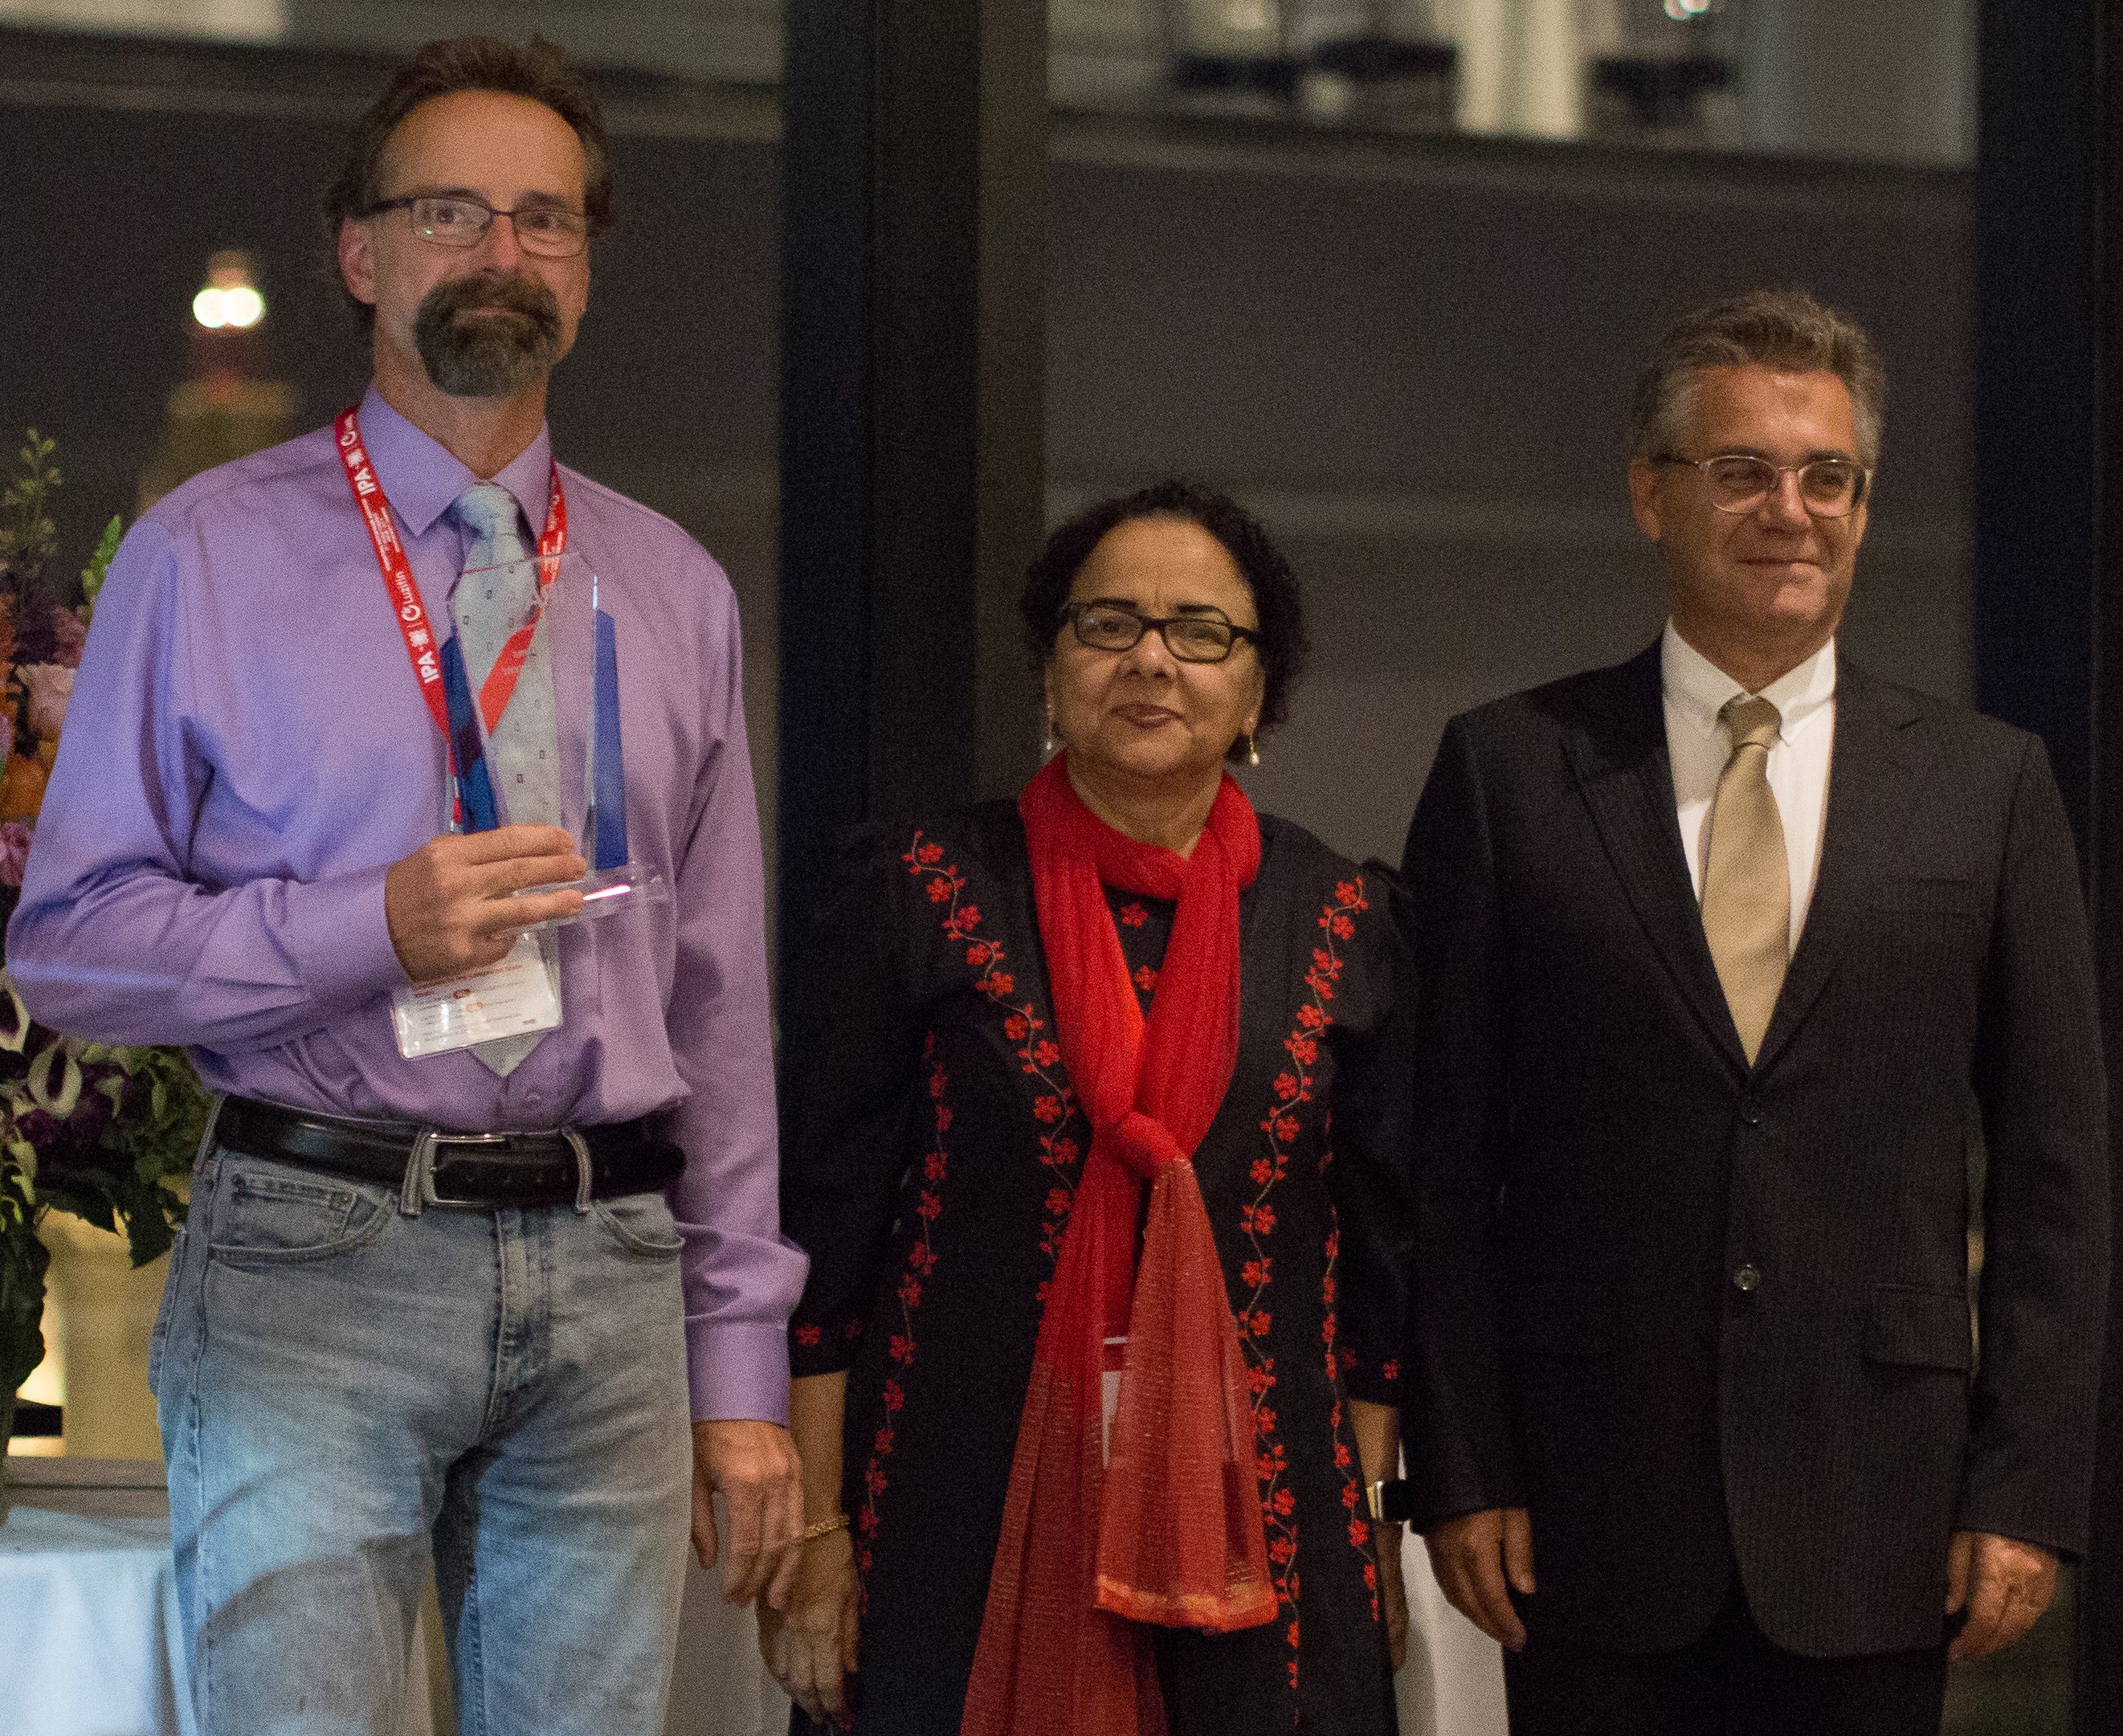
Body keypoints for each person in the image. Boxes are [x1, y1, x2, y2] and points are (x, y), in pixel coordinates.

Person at [6, 36, 806, 1735]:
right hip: (317, 1256)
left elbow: (719, 1006)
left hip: (609, 1269)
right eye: (450, 210)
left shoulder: (671, 588)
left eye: (544, 219)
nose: (501, 253)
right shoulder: (202, 555)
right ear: (359, 253)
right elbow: (70, 948)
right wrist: (364, 926)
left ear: (585, 271)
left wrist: (741, 1376)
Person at [1398, 288, 2109, 1735]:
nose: (1791, 509)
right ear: (1651, 495)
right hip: (1584, 1514)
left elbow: (2057, 1176)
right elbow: (1440, 1157)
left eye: (1826, 475)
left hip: (1880, 1510)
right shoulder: (1508, 771)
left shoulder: (1991, 786)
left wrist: (2026, 1489)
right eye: (1742, 471)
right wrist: (1463, 1462)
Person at [764, 480, 1415, 1734]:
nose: (1153, 658)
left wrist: (1376, 1529)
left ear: (1260, 689)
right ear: (1050, 671)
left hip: (1269, 1531)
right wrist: (819, 1529)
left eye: (1201, 630)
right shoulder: (924, 889)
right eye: (1107, 623)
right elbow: (825, 1235)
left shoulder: (1345, 921)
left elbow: (1381, 1264)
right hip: (952, 1510)